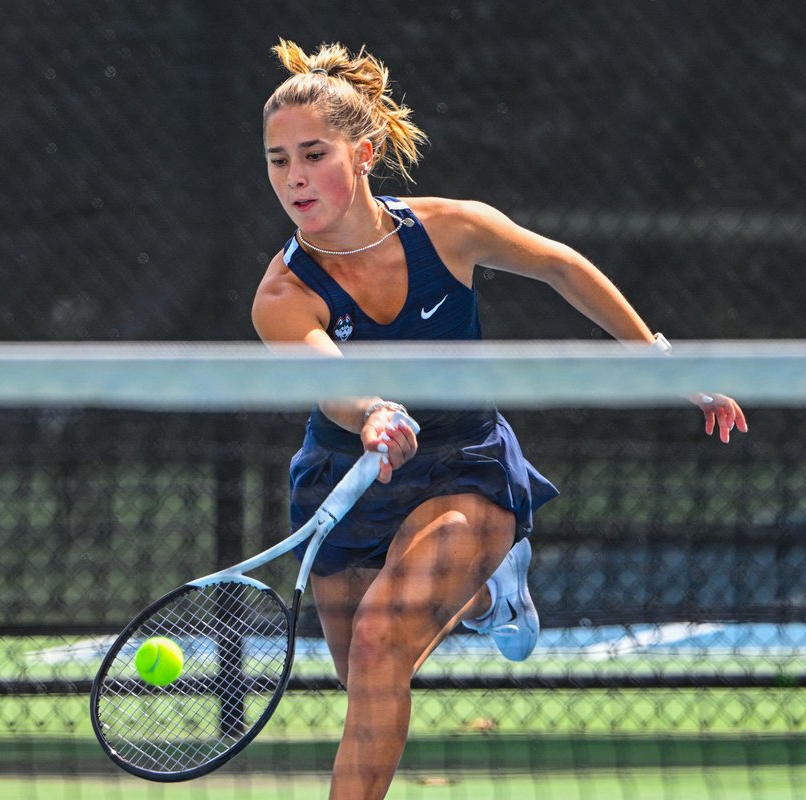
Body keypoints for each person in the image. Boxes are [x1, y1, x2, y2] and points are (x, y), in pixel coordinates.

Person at [251, 39, 747, 800]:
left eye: (312, 154)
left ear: (365, 152)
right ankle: (490, 597)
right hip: (349, 474)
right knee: (368, 680)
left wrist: (659, 358)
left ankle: (489, 558)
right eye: (278, 160)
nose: (294, 178)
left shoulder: (450, 230)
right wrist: (374, 411)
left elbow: (560, 265)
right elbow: (328, 381)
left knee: (384, 643)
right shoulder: (283, 295)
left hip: (462, 464)